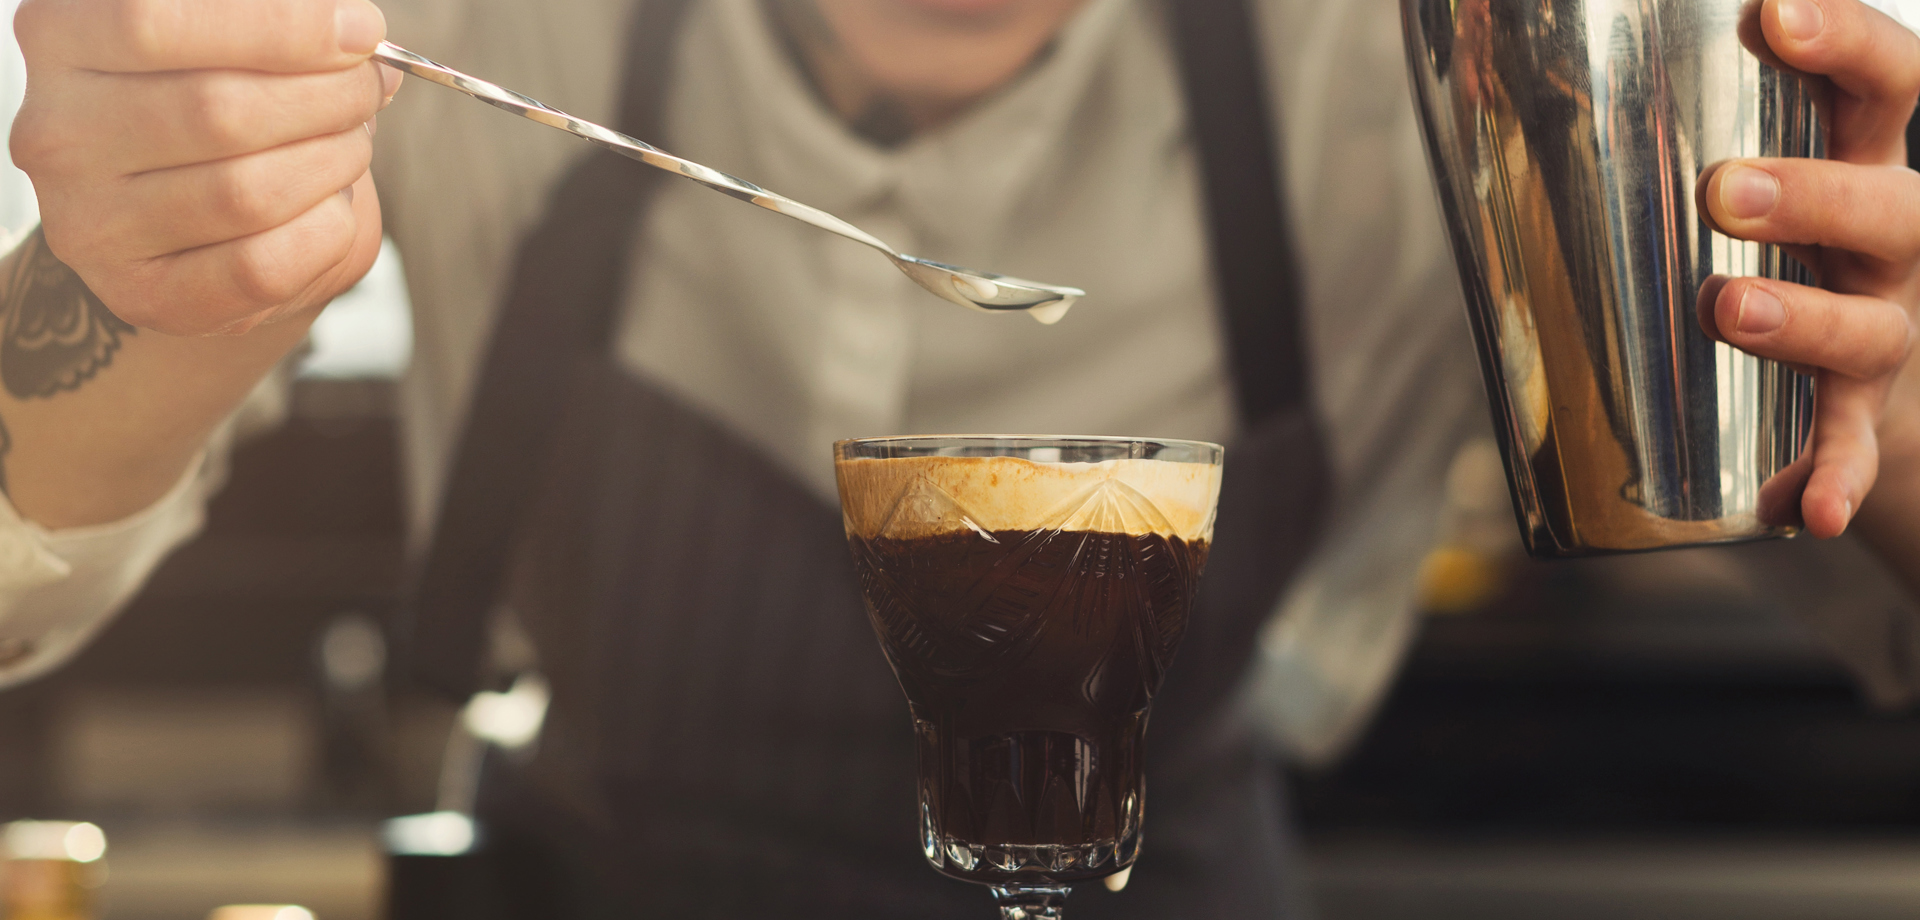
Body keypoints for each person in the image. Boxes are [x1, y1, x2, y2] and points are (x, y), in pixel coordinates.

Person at [0, 0, 1915, 914]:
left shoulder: (1426, 58)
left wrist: (1890, 394)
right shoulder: (447, 28)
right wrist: (148, 266)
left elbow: (1835, 528)